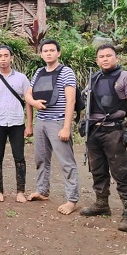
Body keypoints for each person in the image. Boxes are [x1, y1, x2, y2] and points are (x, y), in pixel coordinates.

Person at [79, 44, 127, 231]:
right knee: (97, 169)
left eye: (109, 56)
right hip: (94, 131)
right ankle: (101, 203)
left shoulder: (125, 77)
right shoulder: (93, 78)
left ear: (116, 58)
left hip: (114, 130)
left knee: (121, 170)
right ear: (97, 60)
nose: (105, 59)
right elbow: (88, 104)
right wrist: (83, 123)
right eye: (101, 56)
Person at [24, 39, 79, 215]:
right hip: (41, 122)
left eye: (52, 50)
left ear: (58, 53)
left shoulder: (66, 72)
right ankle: (42, 190)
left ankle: (72, 199)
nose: (48, 53)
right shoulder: (39, 72)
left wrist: (66, 127)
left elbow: (71, 100)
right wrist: (34, 103)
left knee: (66, 162)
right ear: (41, 54)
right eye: (45, 51)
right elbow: (28, 94)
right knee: (41, 159)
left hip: (58, 121)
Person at [0, 45, 32, 203]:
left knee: (19, 157)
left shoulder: (22, 78)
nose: (3, 58)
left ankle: (20, 191)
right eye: (0, 56)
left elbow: (28, 102)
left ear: (11, 57)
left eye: (6, 55)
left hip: (17, 122)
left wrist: (29, 124)